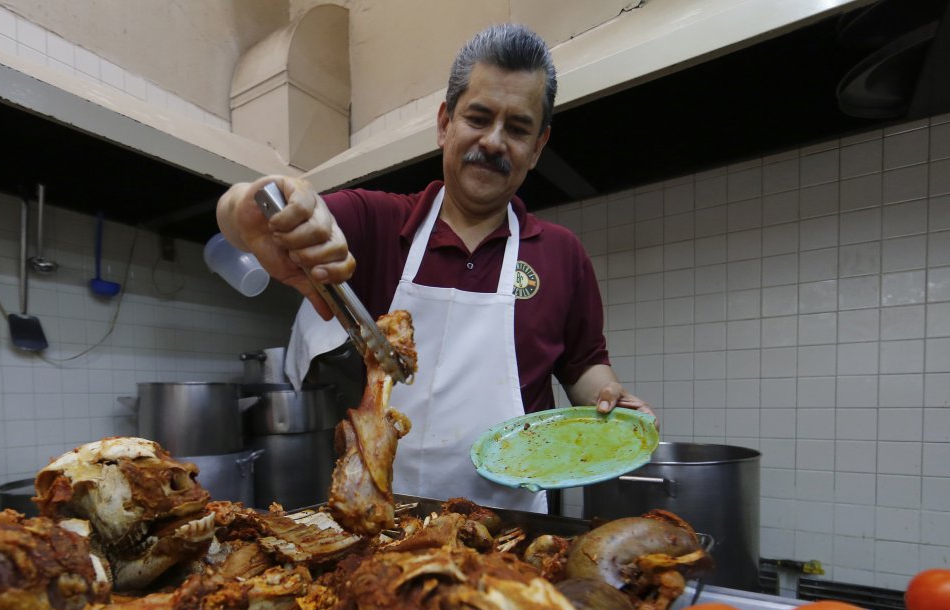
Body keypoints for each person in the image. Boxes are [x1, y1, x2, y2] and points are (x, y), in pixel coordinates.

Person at [216, 23, 655, 512]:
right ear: (445, 123)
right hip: (384, 520)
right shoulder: (377, 222)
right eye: (479, 117)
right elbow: (258, 210)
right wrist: (250, 208)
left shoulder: (561, 253)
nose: (493, 141)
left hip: (513, 529)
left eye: (517, 128)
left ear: (537, 146)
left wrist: (608, 397)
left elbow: (584, 367)